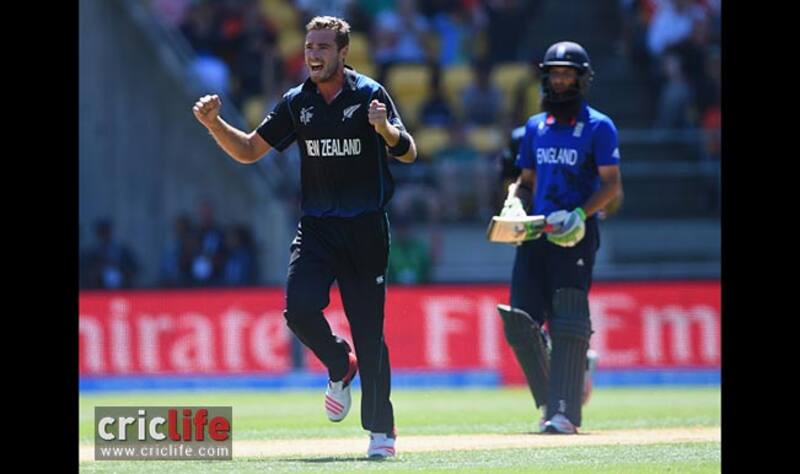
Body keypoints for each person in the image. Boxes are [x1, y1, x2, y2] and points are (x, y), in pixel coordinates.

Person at [192, 16, 417, 458]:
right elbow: (249, 151)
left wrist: (386, 130)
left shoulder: (370, 95)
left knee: (370, 332)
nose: (313, 54)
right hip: (317, 227)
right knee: (297, 310)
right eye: (310, 46)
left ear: (343, 52)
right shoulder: (298, 103)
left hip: (365, 228)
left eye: (323, 47)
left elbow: (408, 151)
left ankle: (381, 432)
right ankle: (339, 364)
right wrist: (215, 124)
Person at [495, 41, 623, 434]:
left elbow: (612, 184)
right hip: (535, 233)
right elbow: (526, 181)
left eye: (568, 73)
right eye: (554, 73)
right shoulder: (535, 127)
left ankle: (562, 413)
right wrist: (514, 203)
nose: (561, 80)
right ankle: (568, 382)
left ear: (582, 79)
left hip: (576, 234)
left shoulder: (599, 126)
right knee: (521, 323)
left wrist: (580, 213)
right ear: (545, 77)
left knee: (567, 320)